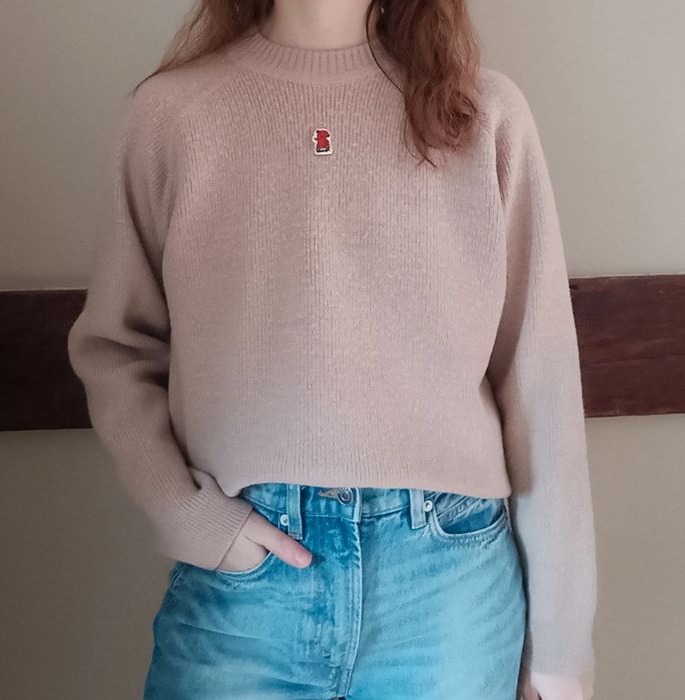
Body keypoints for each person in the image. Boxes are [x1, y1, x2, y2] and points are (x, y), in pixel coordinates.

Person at [66, 1, 598, 698]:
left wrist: (562, 643)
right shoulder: (172, 114)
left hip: (448, 582)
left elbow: (540, 378)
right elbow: (117, 348)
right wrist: (187, 515)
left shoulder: (483, 113)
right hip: (243, 582)